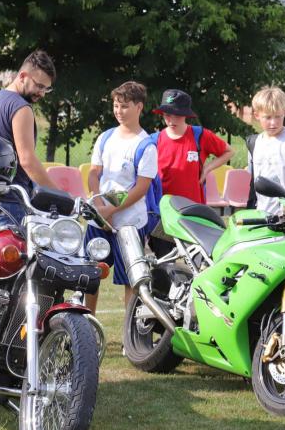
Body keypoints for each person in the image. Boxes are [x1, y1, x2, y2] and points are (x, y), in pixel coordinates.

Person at [83, 81, 158, 313]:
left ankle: (129, 331)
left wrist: (111, 210)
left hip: (129, 223)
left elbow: (140, 187)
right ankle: (86, 322)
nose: (119, 111)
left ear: (139, 107)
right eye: (116, 105)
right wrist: (99, 206)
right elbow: (94, 173)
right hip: (99, 221)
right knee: (89, 275)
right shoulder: (105, 137)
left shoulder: (146, 145)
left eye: (124, 106)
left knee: (130, 281)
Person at [0, 50, 59, 227]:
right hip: (11, 203)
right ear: (22, 76)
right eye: (39, 86)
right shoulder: (21, 108)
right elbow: (27, 161)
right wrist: (59, 195)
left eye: (46, 88)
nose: (42, 93)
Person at [149, 89, 234, 257]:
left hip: (193, 213)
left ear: (186, 115)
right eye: (167, 115)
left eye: (177, 115)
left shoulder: (200, 135)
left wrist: (208, 168)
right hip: (163, 214)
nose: (171, 120)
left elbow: (229, 151)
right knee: (165, 260)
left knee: (197, 261)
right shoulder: (154, 140)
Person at [246, 86, 285, 213]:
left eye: (278, 117)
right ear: (257, 115)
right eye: (268, 117)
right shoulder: (254, 143)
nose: (273, 123)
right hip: (263, 214)